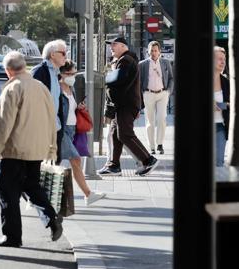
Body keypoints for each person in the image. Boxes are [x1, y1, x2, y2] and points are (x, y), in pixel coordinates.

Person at [0, 51, 63, 247]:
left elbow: (3, 123)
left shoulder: (13, 88)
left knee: (8, 194)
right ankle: (51, 217)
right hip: (37, 149)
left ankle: (12, 236)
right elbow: (52, 119)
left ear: (8, 70)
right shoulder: (40, 87)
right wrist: (51, 148)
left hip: (15, 149)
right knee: (31, 186)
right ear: (24, 66)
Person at [99, 37, 159, 177]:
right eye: (110, 45)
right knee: (115, 134)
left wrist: (105, 78)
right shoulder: (125, 60)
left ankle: (148, 159)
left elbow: (118, 80)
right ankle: (114, 165)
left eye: (114, 45)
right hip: (123, 104)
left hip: (125, 104)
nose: (111, 48)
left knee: (124, 134)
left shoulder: (125, 60)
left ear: (122, 46)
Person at [58, 60, 106, 206]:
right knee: (75, 159)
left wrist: (79, 107)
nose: (73, 76)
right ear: (61, 74)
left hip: (72, 129)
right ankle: (88, 194)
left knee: (56, 161)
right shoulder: (57, 91)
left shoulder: (70, 89)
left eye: (74, 73)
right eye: (70, 73)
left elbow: (70, 109)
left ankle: (37, 191)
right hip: (61, 130)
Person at [32, 40, 67, 164]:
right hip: (42, 129)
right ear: (52, 55)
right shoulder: (40, 72)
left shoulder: (56, 73)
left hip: (55, 128)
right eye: (63, 53)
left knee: (53, 167)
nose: (66, 56)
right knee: (39, 167)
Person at [138, 41, 174, 154]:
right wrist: (141, 93)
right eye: (152, 51)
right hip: (148, 93)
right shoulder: (142, 64)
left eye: (155, 50)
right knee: (150, 121)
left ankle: (160, 144)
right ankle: (152, 146)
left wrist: (168, 91)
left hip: (162, 94)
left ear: (159, 52)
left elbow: (171, 78)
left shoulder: (165, 63)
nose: (153, 53)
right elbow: (138, 81)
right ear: (148, 51)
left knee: (162, 119)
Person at [214, 46, 230, 167]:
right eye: (220, 59)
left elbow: (232, 104)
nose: (223, 62)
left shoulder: (226, 82)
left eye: (224, 59)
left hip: (220, 127)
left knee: (219, 163)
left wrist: (221, 105)